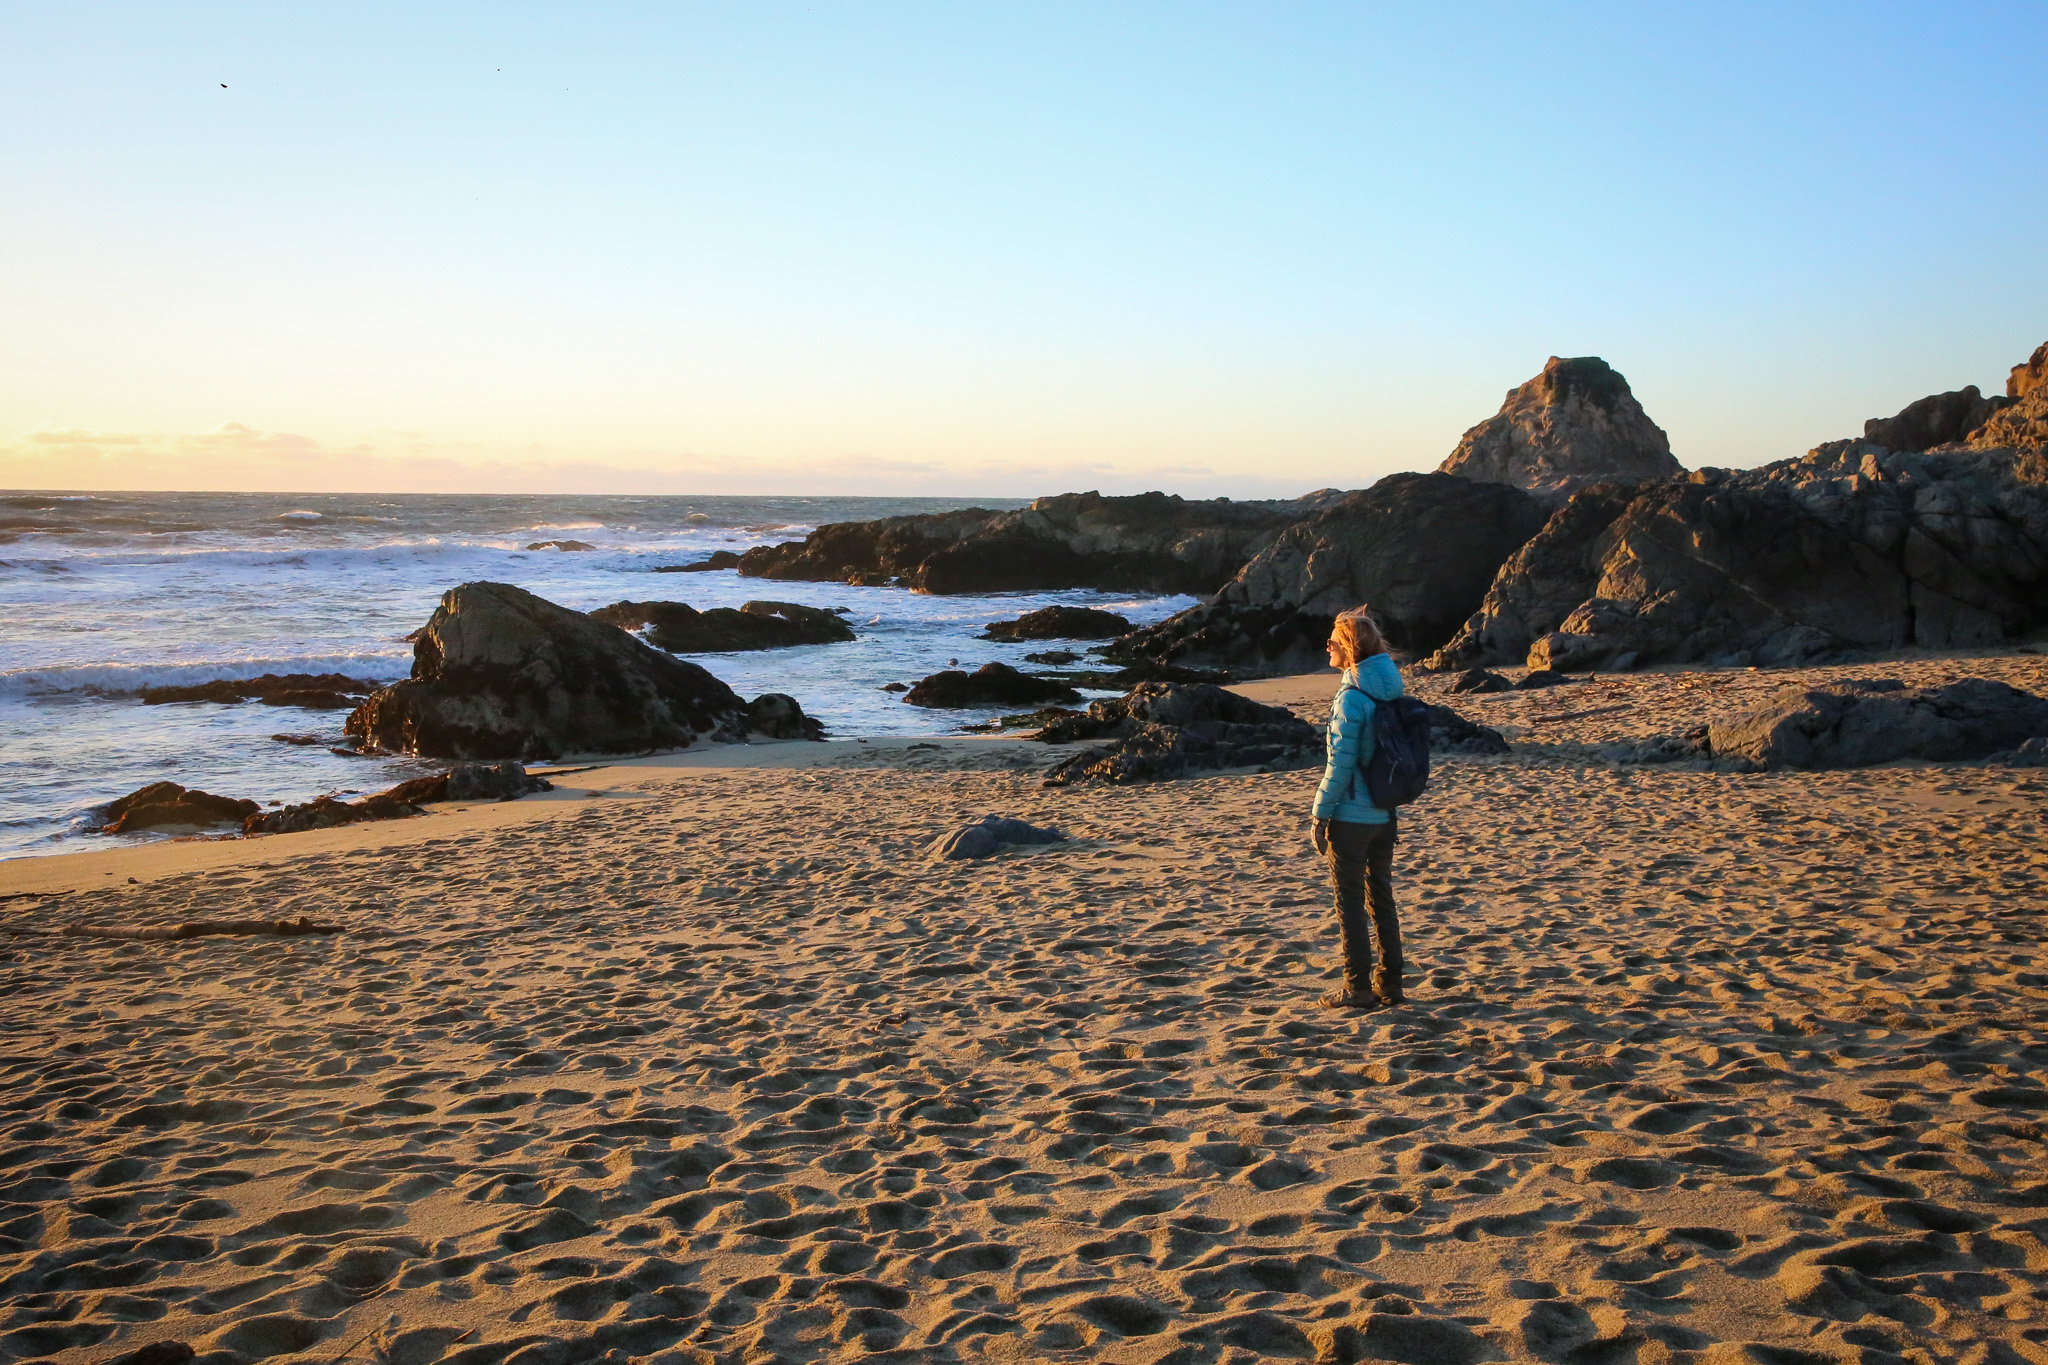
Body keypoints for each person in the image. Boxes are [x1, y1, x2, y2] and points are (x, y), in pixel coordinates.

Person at [1310, 606, 1405, 1009]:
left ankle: (1357, 988)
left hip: (1351, 816)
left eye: (1331, 641)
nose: (1326, 647)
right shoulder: (1390, 689)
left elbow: (1340, 764)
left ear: (1348, 648)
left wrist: (1319, 814)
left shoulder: (1352, 698)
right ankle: (1391, 982)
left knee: (1349, 902)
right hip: (1385, 810)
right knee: (1380, 895)